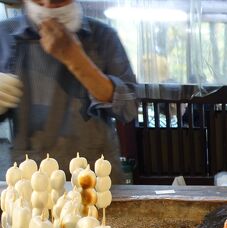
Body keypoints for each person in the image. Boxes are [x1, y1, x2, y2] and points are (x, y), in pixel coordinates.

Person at [0, 0, 137, 182]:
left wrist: (76, 59)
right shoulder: (4, 36)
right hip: (30, 176)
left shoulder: (103, 36)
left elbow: (129, 107)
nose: (48, 5)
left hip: (95, 175)